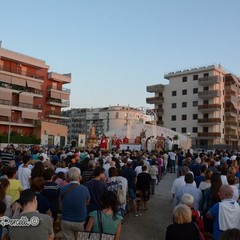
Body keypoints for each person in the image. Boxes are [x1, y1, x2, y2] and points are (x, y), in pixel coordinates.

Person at [61, 167, 90, 240]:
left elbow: (60, 202)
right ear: (79, 177)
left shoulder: (62, 189)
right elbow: (87, 202)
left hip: (66, 220)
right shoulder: (84, 189)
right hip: (80, 220)